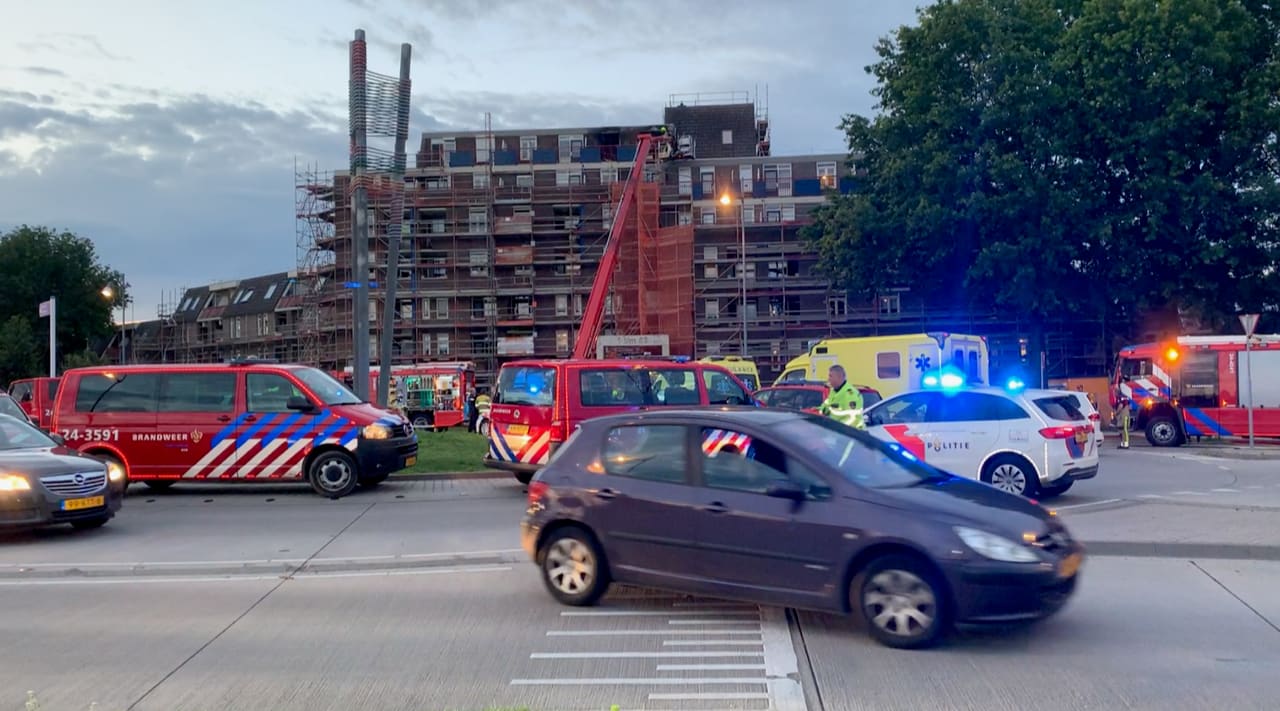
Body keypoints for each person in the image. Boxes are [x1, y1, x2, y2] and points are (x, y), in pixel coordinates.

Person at [819, 364, 865, 429]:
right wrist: (818, 411)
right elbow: (826, 406)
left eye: (831, 376)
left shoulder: (850, 395)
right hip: (838, 433)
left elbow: (852, 420)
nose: (828, 379)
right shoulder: (834, 391)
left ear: (839, 377)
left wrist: (838, 430)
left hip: (852, 434)